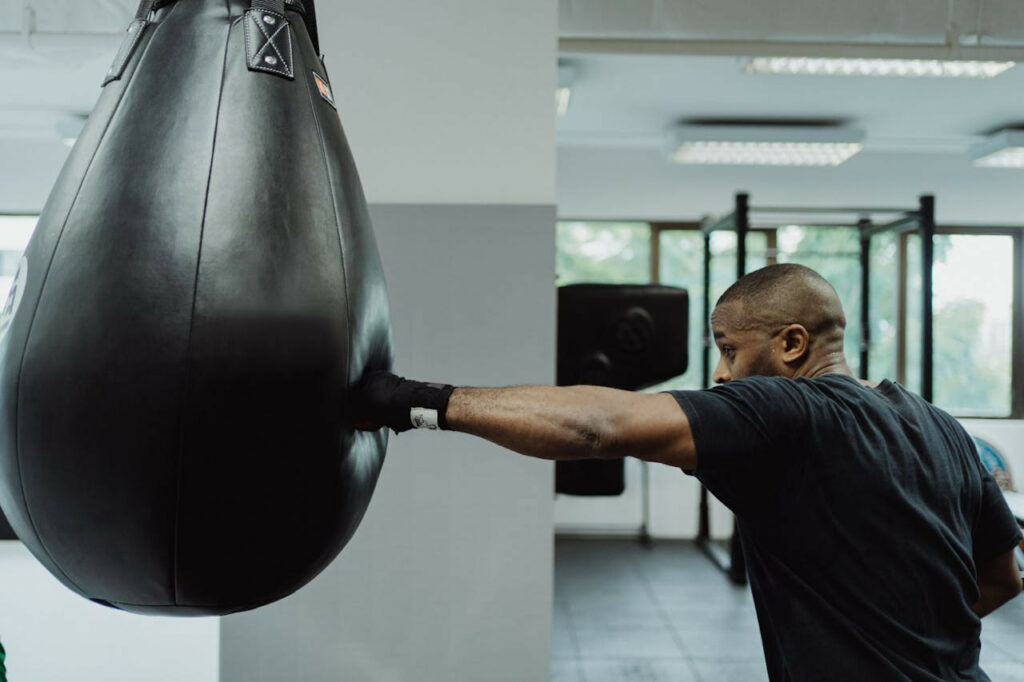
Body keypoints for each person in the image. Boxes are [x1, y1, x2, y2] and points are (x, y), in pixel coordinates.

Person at [353, 263, 1023, 682]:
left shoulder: (789, 412)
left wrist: (415, 401)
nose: (724, 372)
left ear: (792, 344)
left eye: (731, 350)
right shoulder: (940, 428)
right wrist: (900, 629)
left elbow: (597, 426)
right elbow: (1001, 577)